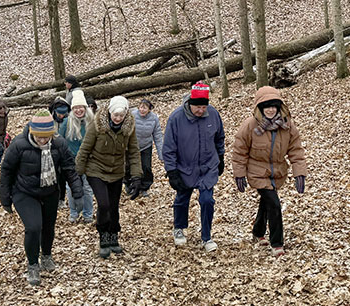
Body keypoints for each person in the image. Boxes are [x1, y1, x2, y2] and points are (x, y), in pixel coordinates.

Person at [0, 110, 84, 286]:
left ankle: (46, 255)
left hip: (50, 191)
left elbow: (69, 168)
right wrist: (5, 197)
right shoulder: (18, 144)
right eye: (39, 137)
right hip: (24, 192)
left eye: (46, 137)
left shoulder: (59, 143)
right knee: (33, 227)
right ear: (32, 132)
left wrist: (77, 193)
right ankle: (32, 264)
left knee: (48, 226)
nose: (43, 141)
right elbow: (7, 171)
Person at [231, 86, 307, 257]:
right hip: (257, 171)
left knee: (267, 202)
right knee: (274, 203)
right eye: (267, 106)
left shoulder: (287, 126)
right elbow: (239, 151)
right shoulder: (250, 126)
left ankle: (258, 231)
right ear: (260, 108)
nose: (271, 109)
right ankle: (277, 243)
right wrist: (239, 173)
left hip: (278, 172)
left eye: (274, 106)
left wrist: (299, 173)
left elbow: (296, 150)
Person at [75, 95, 142, 258]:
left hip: (117, 171)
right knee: (103, 204)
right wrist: (77, 174)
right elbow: (84, 149)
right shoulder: (97, 125)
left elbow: (133, 152)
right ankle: (103, 235)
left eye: (121, 115)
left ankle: (114, 235)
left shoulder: (129, 127)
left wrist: (137, 176)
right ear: (110, 113)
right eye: (115, 115)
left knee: (113, 205)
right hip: (96, 169)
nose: (118, 118)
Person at [163, 81, 225, 252]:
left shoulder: (213, 115)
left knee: (207, 200)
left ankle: (206, 237)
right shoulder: (176, 118)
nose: (201, 111)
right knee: (182, 198)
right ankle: (179, 228)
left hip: (208, 166)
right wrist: (172, 171)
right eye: (197, 107)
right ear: (190, 104)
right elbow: (168, 148)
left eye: (204, 107)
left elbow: (219, 137)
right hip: (184, 167)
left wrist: (221, 157)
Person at [59, 88, 95, 223]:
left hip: (88, 161)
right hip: (71, 161)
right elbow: (59, 140)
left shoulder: (92, 121)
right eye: (75, 108)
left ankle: (87, 214)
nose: (78, 110)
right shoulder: (67, 122)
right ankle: (73, 213)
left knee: (87, 187)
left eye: (81, 107)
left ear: (85, 108)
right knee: (70, 188)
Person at [126, 98, 163, 198]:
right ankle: (129, 185)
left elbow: (158, 135)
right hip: (132, 146)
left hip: (146, 146)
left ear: (149, 109)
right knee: (129, 166)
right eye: (141, 107)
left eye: (145, 108)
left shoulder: (154, 118)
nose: (142, 110)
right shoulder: (132, 115)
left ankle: (144, 188)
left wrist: (161, 154)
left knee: (146, 167)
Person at [50, 96, 71, 208]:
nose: (61, 116)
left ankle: (61, 198)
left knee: (62, 176)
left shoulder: (69, 120)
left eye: (63, 114)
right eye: (59, 114)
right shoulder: (50, 119)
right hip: (51, 151)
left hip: (64, 151)